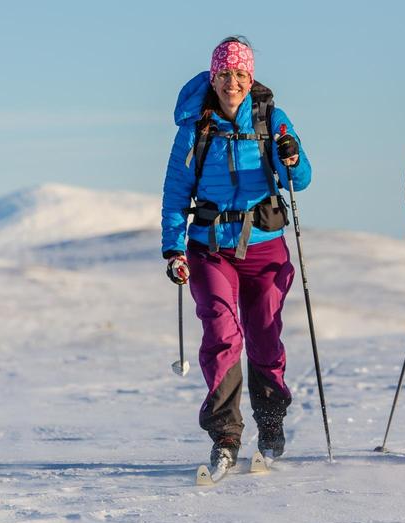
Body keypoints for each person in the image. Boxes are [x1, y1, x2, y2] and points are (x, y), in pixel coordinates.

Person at [160, 36, 311, 471]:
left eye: (240, 74)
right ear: (214, 76)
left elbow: (299, 180)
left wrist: (293, 157)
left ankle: (270, 417)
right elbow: (175, 192)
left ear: (251, 78)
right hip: (209, 248)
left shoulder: (271, 119)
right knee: (222, 332)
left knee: (264, 331)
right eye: (225, 74)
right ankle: (226, 431)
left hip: (265, 246)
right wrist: (173, 247)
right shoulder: (195, 127)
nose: (233, 82)